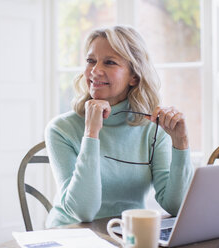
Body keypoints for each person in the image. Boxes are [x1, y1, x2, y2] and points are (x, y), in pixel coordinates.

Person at [44, 25, 194, 228]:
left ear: (134, 76)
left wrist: (180, 143)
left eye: (109, 62)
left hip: (129, 233)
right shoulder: (61, 129)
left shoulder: (152, 129)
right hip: (73, 233)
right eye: (90, 61)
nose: (95, 71)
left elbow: (176, 206)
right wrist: (91, 133)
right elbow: (83, 212)